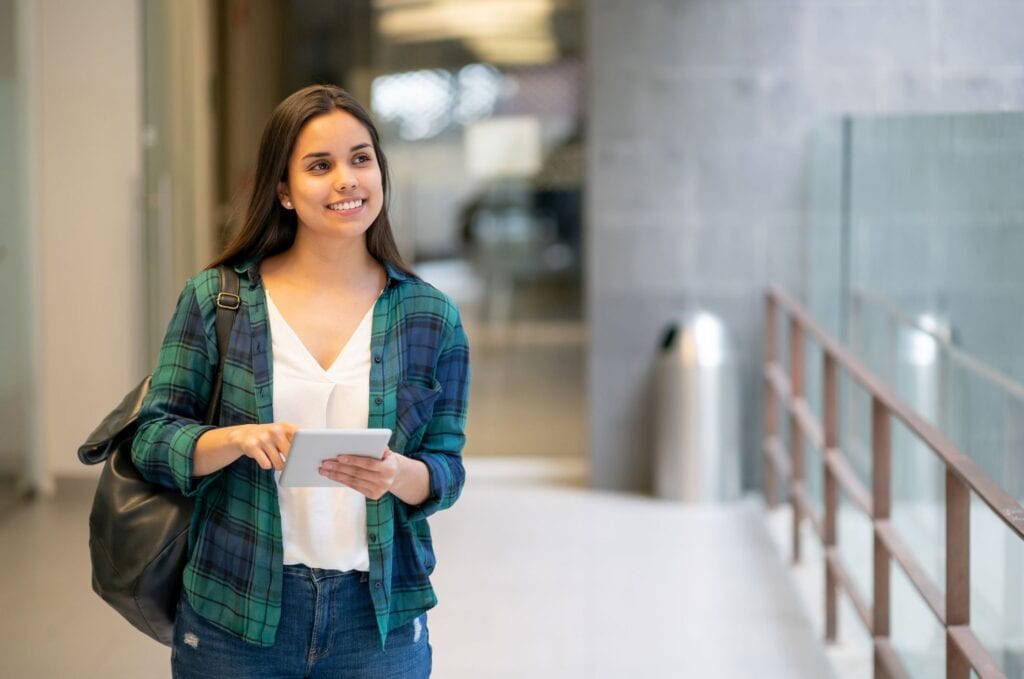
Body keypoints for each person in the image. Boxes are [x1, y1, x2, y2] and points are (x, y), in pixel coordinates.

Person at [131, 84, 470, 678]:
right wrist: (234, 439)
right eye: (320, 166)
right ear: (283, 190)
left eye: (361, 158)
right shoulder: (218, 300)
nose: (347, 180)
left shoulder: (429, 315)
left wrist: (398, 474)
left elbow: (447, 467)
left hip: (377, 617)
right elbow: (152, 440)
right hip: (237, 608)